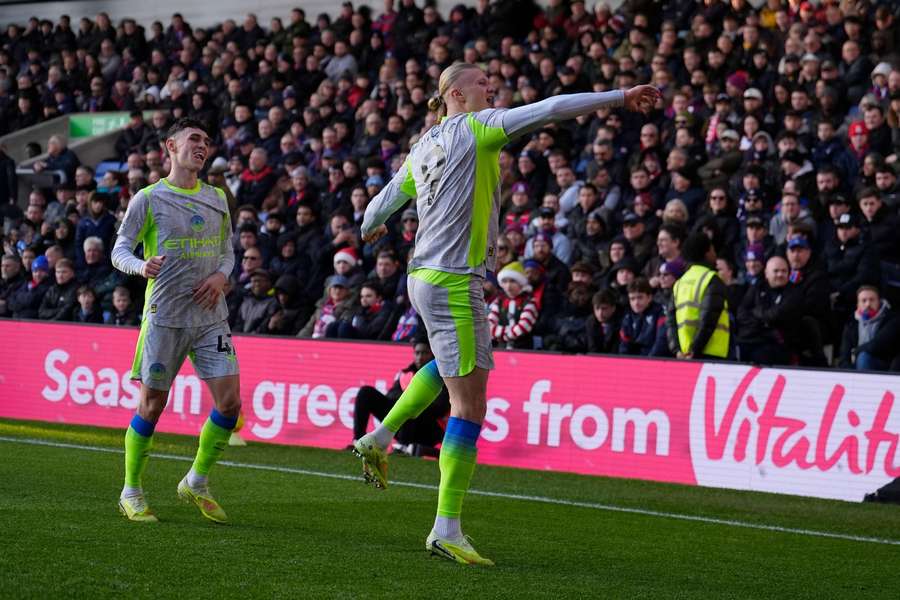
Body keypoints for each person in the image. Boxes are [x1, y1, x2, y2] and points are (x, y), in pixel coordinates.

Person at [356, 61, 659, 564]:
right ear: (454, 93)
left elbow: (382, 202)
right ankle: (445, 528)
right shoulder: (478, 129)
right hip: (453, 280)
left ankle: (380, 436)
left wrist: (372, 225)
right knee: (470, 404)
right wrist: (618, 96)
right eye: (481, 81)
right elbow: (551, 110)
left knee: (451, 371)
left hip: (422, 278)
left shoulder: (423, 146)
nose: (491, 87)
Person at [111, 118, 241, 524]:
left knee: (231, 403)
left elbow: (227, 252)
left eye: (206, 141)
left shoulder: (218, 197)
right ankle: (131, 489)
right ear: (171, 146)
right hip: (165, 318)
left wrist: (221, 276)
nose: (202, 146)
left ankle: (196, 480)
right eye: (194, 139)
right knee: (152, 405)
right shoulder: (147, 199)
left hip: (210, 317)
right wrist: (140, 265)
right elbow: (119, 250)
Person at [351, 333, 451, 454]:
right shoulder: (406, 374)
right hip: (402, 424)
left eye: (424, 353)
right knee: (366, 393)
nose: (420, 357)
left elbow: (440, 408)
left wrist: (411, 398)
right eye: (417, 353)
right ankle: (359, 441)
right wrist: (406, 397)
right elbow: (391, 396)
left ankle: (403, 447)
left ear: (433, 355)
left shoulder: (444, 378)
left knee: (413, 403)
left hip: (429, 429)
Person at [666, 232, 730, 360]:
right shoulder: (712, 279)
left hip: (683, 355)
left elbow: (670, 321)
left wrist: (677, 350)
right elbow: (708, 319)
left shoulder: (679, 283)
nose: (715, 254)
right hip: (710, 353)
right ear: (706, 252)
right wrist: (695, 349)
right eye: (712, 249)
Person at [838, 286, 900, 371]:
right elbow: (844, 357)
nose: (868, 304)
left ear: (879, 302)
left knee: (864, 357)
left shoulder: (892, 319)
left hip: (886, 368)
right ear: (858, 305)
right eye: (864, 301)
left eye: (872, 300)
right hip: (856, 370)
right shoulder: (851, 324)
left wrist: (856, 351)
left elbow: (876, 345)